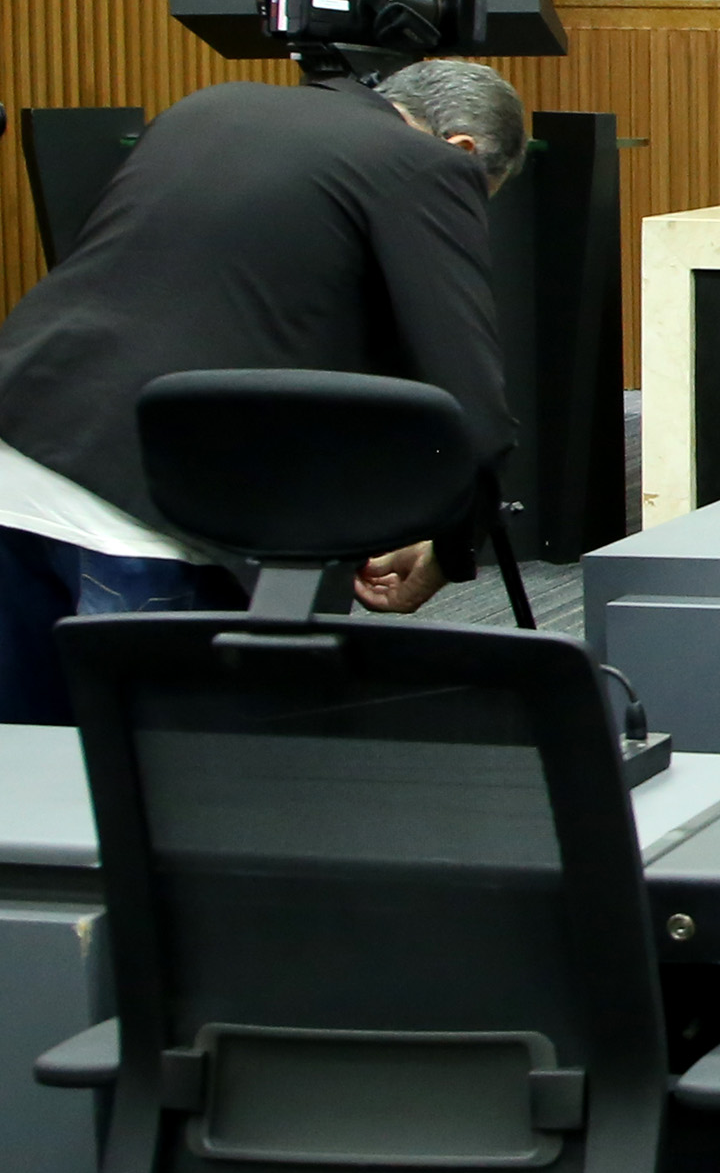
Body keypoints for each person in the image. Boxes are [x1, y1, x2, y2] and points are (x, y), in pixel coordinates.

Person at [0, 58, 530, 724]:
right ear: (463, 150)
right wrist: (449, 550)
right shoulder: (425, 164)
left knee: (24, 767)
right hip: (148, 508)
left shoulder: (211, 106)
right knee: (168, 774)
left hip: (17, 445)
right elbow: (472, 413)